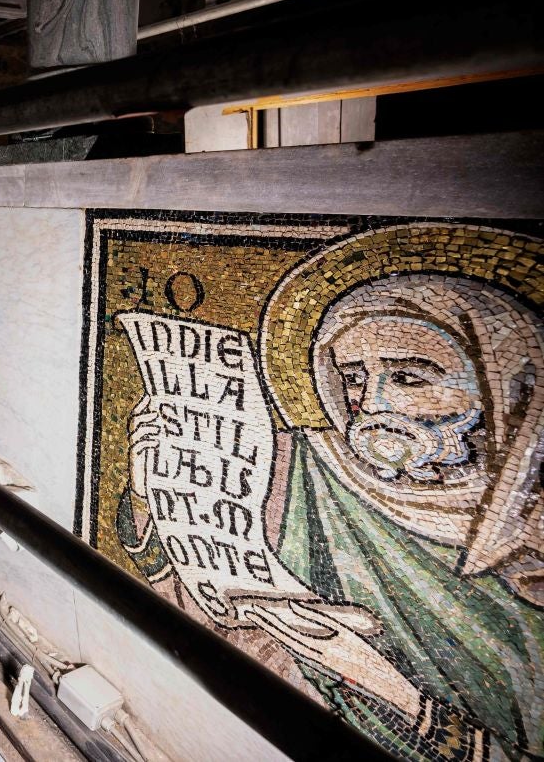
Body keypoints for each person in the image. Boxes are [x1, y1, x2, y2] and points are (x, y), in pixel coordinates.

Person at [121, 225, 543, 761]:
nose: (369, 404)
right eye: (351, 377)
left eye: (411, 378)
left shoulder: (528, 537)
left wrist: (379, 680)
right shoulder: (298, 465)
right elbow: (196, 598)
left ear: (501, 391)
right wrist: (147, 490)